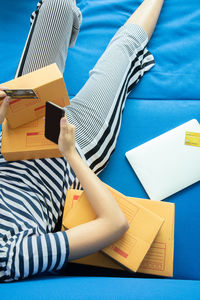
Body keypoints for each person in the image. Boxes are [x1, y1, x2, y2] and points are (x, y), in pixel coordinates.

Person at [0, 0, 164, 282]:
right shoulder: (9, 258)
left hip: (19, 124)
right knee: (123, 48)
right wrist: (70, 154)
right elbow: (114, 225)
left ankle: (64, 31)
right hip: (75, 152)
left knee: (57, 6)